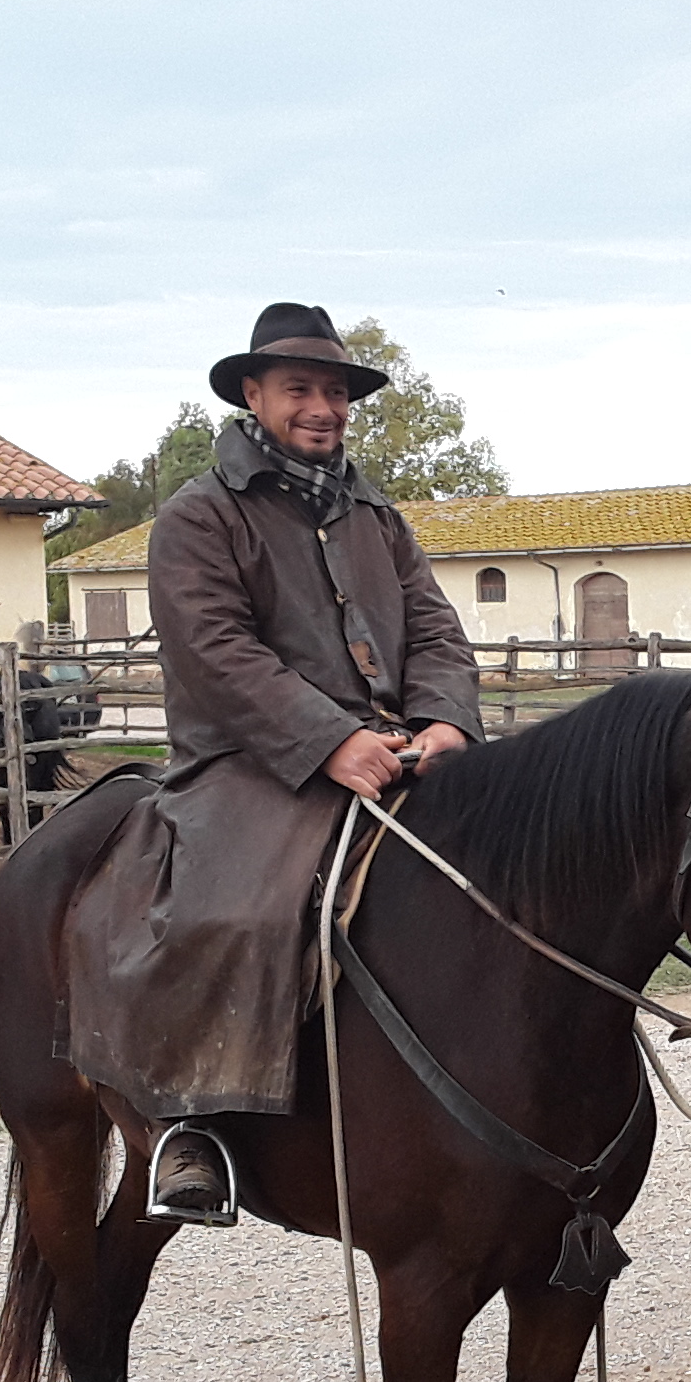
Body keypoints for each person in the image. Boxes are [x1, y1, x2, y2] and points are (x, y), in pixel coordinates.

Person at [62, 304, 485, 1221]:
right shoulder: (197, 518)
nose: (323, 408)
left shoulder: (377, 515)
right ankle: (193, 1123)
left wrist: (445, 721)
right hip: (248, 759)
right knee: (235, 900)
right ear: (253, 395)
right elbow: (217, 651)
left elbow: (436, 629)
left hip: (399, 746)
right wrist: (329, 741)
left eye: (336, 391)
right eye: (301, 389)